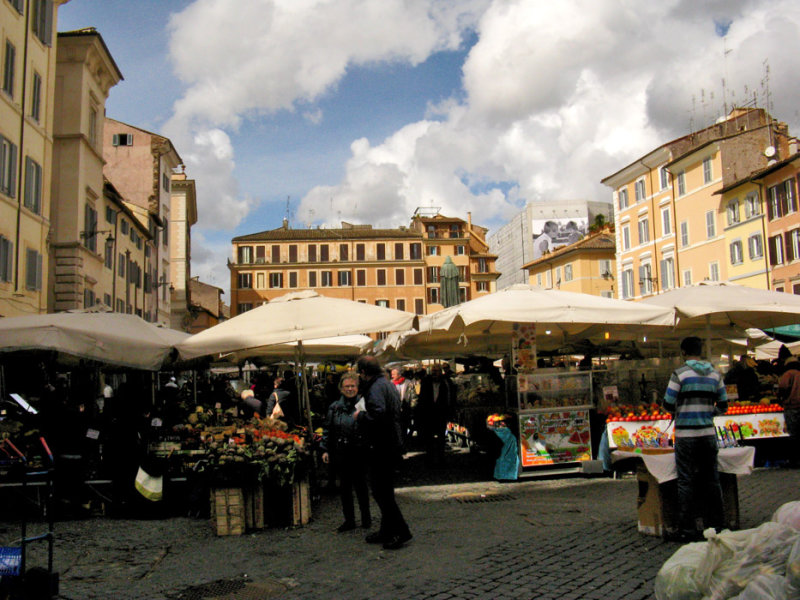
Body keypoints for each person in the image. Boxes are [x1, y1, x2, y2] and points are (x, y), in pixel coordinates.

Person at [663, 336, 728, 541]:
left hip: (685, 435)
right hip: (708, 434)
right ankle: (717, 524)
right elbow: (724, 405)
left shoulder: (679, 374)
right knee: (711, 479)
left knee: (686, 481)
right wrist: (708, 414)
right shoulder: (715, 375)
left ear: (683, 352)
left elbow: (667, 403)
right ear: (700, 351)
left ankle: (688, 529)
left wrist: (682, 410)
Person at [354, 355, 411, 550]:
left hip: (382, 445)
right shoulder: (386, 383)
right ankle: (387, 530)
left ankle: (401, 531)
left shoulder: (377, 387)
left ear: (363, 372)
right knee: (384, 489)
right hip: (390, 442)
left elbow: (378, 413)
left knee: (381, 491)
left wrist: (360, 415)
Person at [320, 372, 372, 532]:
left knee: (361, 487)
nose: (350, 389)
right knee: (345, 488)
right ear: (341, 389)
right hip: (341, 451)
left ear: (357, 388)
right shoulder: (334, 407)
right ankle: (349, 520)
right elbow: (327, 429)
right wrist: (325, 449)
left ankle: (366, 519)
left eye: (353, 386)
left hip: (359, 451)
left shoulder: (363, 404)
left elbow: (370, 427)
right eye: (347, 386)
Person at [417, 363, 457, 465]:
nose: (435, 373)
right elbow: (421, 399)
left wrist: (450, 412)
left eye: (437, 371)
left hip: (441, 413)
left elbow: (451, 397)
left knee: (441, 438)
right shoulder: (426, 382)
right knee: (429, 438)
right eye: (433, 371)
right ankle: (429, 458)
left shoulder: (446, 382)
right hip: (428, 414)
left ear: (441, 372)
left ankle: (441, 458)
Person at [777, 355, 800, 468]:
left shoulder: (788, 374)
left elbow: (782, 388)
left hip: (792, 406)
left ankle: (794, 460)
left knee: (793, 434)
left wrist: (781, 399)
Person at [391, 367, 416, 442]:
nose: (392, 376)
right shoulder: (390, 384)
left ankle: (403, 444)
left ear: (399, 375)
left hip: (405, 410)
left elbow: (413, 397)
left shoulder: (408, 383)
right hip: (394, 411)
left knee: (404, 428)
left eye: (394, 374)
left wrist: (412, 408)